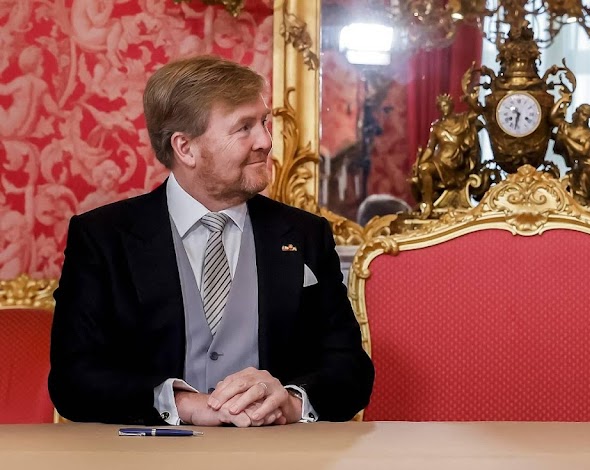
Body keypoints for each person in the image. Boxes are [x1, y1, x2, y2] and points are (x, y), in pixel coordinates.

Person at [49, 56, 374, 426]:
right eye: (244, 127)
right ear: (185, 148)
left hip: (276, 451)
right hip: (148, 453)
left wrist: (291, 401)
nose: (265, 141)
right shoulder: (102, 238)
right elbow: (73, 380)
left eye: (264, 123)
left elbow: (350, 369)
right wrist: (185, 404)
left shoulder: (306, 234)